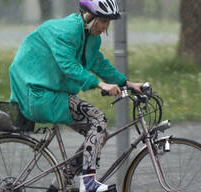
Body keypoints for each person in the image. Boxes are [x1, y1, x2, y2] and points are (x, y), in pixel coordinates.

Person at [9, 0, 143, 191]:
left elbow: (99, 63)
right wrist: (100, 84)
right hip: (35, 92)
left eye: (108, 22)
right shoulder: (67, 31)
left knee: (100, 133)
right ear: (89, 16)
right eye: (103, 21)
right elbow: (69, 66)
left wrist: (127, 83)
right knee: (98, 119)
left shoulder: (91, 38)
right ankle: (88, 182)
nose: (105, 27)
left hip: (52, 92)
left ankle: (62, 181)